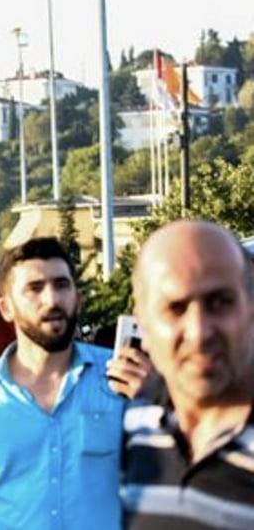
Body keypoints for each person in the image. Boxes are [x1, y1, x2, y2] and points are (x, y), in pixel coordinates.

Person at [0, 237, 129, 529]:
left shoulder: (122, 380)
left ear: (77, 298)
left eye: (61, 285)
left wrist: (156, 399)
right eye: (34, 288)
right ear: (5, 308)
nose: (52, 300)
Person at [121, 220, 254, 527]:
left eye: (219, 302)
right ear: (144, 325)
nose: (199, 332)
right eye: (176, 308)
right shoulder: (135, 426)